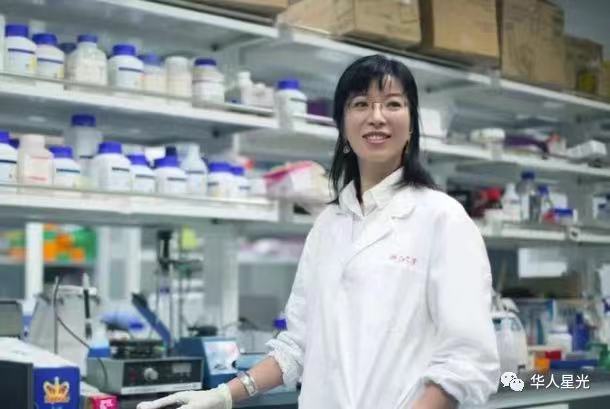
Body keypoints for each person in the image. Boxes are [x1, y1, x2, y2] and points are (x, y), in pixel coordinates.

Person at [137, 54, 500, 409]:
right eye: (361, 104)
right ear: (343, 127)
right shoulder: (329, 224)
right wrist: (223, 395)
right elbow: (296, 345)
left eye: (392, 104)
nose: (376, 117)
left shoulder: (442, 219)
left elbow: (467, 359)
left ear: (411, 125)